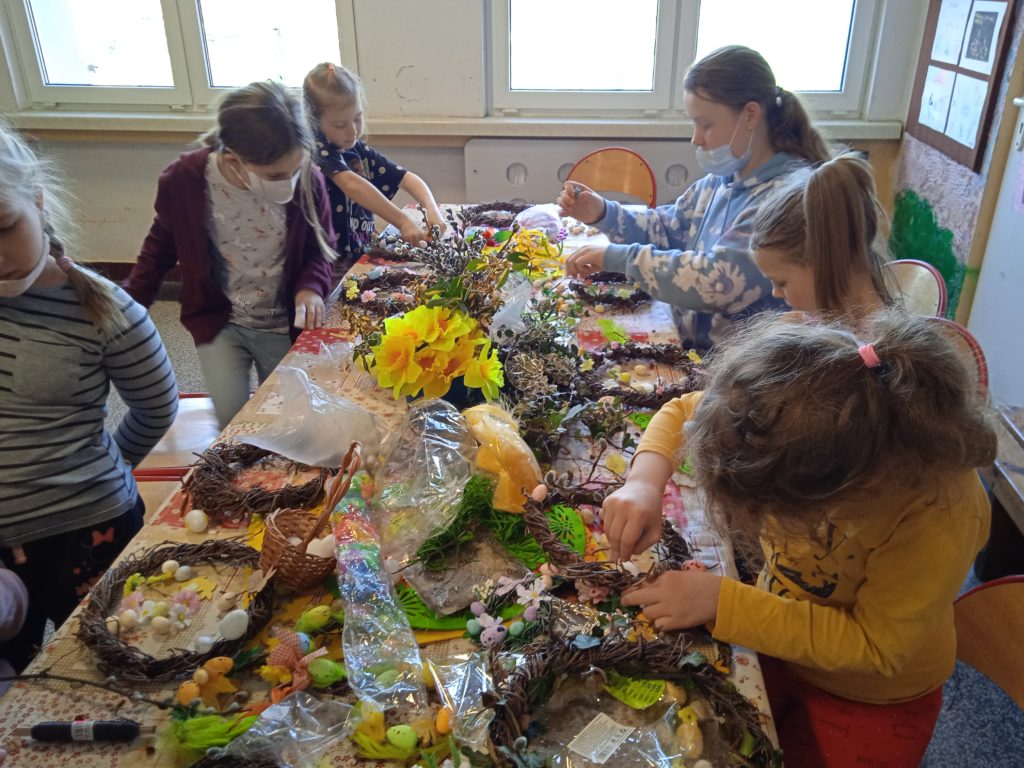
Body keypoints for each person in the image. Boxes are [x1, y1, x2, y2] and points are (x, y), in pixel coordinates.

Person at [602, 311, 995, 767]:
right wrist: (643, 482)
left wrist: (723, 603)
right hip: (780, 637)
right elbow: (683, 411)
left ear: (838, 493)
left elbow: (877, 646)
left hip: (870, 694)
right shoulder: (792, 411)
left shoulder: (939, 513)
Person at [0, 124, 178, 671]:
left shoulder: (106, 309)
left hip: (88, 532)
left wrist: (101, 469)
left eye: (4, 227)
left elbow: (156, 406)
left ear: (37, 202)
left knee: (107, 669)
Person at [558, 45, 832, 351]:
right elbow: (668, 226)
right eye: (695, 124)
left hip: (736, 364)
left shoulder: (787, 198)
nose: (696, 138)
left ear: (751, 115)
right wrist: (604, 213)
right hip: (687, 345)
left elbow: (717, 280)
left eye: (706, 124)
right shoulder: (722, 181)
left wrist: (619, 258)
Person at [124, 81, 337, 429]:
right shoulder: (185, 179)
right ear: (233, 160)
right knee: (230, 421)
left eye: (295, 170)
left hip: (283, 326)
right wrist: (129, 306)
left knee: (289, 419)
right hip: (220, 321)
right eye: (275, 175)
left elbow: (321, 249)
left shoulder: (309, 180)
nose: (289, 181)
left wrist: (310, 288)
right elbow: (160, 245)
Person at [303, 62, 446, 266]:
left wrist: (432, 210)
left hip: (359, 254)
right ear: (314, 122)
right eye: (340, 125)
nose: (353, 130)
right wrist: (403, 221)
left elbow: (407, 178)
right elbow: (352, 184)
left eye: (357, 118)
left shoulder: (357, 149)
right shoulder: (318, 151)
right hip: (327, 265)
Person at [750, 151, 891, 323]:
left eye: (781, 283)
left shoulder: (871, 338)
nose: (776, 293)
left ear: (825, 261)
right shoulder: (825, 317)